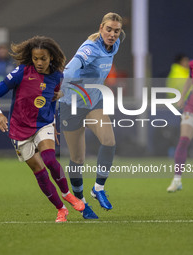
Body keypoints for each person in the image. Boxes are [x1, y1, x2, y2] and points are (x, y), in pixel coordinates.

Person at [0, 36, 85, 222]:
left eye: (43, 59)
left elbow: (52, 99)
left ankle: (67, 194)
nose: (39, 63)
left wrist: (54, 123)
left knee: (49, 158)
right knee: (39, 171)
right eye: (35, 58)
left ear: (51, 58)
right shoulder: (21, 72)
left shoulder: (57, 76)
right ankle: (61, 209)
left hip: (43, 124)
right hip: (18, 129)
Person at [59, 12, 125, 219]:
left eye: (116, 30)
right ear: (101, 27)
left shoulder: (115, 44)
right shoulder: (89, 49)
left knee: (109, 141)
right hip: (71, 104)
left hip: (94, 102)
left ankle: (98, 188)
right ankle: (81, 202)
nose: (112, 34)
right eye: (108, 29)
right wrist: (61, 87)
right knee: (77, 158)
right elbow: (69, 71)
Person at [167, 36, 193, 192]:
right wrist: (183, 97)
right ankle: (177, 179)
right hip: (192, 109)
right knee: (184, 139)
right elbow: (189, 80)